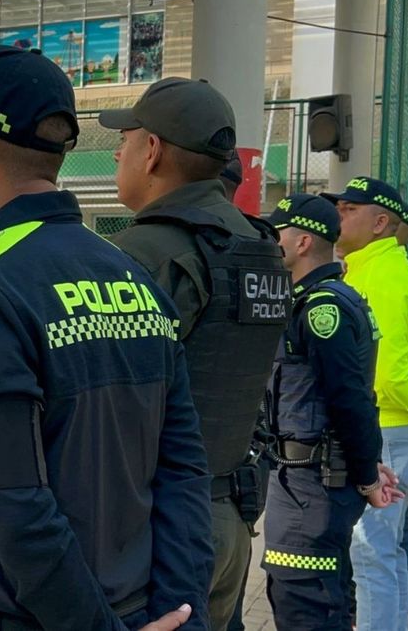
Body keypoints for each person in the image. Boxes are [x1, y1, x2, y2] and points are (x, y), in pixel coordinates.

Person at [0, 44, 210, 630]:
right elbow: (182, 470)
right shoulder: (133, 277)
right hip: (133, 607)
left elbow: (10, 500)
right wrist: (181, 613)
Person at [102, 77, 288, 631]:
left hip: (161, 524)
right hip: (230, 512)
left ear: (152, 151)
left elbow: (110, 410)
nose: (119, 152)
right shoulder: (261, 247)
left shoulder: (148, 253)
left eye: (127, 139)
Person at [261, 193, 400, 629]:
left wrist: (365, 474)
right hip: (308, 480)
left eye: (276, 234)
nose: (269, 243)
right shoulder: (324, 297)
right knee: (311, 594)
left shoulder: (324, 307)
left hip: (312, 487)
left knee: (306, 600)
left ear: (303, 243)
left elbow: (349, 398)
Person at [321, 177, 408, 631]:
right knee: (383, 549)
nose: (339, 216)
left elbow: (387, 371)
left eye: (349, 209)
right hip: (394, 423)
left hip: (388, 425)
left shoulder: (383, 274)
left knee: (369, 550)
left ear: (379, 222)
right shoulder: (379, 268)